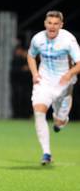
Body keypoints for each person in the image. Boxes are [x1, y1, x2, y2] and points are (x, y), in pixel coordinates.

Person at [27, 10, 80, 165]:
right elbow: (31, 55)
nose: (52, 26)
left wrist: (69, 74)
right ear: (45, 23)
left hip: (63, 83)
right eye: (49, 23)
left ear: (61, 25)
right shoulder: (37, 39)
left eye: (56, 24)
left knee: (59, 120)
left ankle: (61, 120)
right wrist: (35, 73)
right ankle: (46, 153)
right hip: (44, 81)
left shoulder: (68, 40)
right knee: (39, 112)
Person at [10, 44, 32, 118]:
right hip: (17, 84)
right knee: (16, 99)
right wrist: (22, 69)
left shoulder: (30, 60)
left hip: (27, 85)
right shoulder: (15, 60)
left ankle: (27, 115)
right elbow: (13, 72)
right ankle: (16, 115)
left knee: (27, 99)